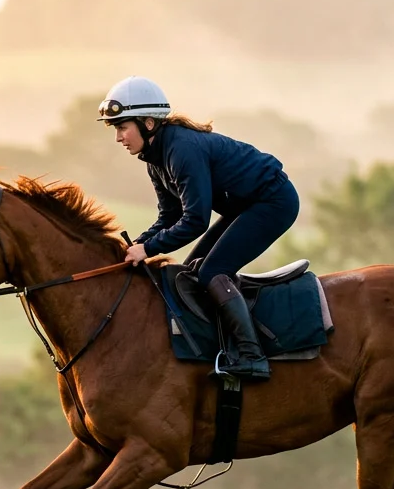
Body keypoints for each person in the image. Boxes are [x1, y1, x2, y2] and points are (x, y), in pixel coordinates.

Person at [99, 76, 300, 381]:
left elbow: (195, 220)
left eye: (122, 127)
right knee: (193, 269)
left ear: (148, 124)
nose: (118, 137)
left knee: (211, 273)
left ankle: (252, 356)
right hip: (246, 206)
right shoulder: (155, 158)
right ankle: (221, 344)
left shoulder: (182, 150)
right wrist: (137, 246)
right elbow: (169, 215)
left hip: (273, 202)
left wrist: (149, 249)